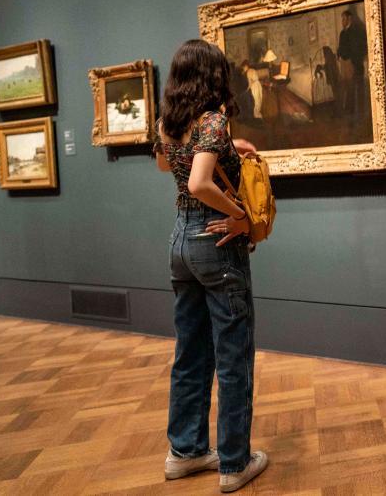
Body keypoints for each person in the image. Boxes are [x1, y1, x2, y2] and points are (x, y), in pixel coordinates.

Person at [153, 39, 269, 492]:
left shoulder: (169, 121)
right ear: (212, 74)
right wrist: (240, 217)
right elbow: (201, 182)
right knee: (233, 356)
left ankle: (185, 453)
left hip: (179, 241)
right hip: (215, 241)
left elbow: (168, 166)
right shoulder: (213, 120)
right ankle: (235, 463)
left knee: (190, 353)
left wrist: (225, 146)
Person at [336, 10, 367, 115]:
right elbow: (340, 47)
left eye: (344, 19)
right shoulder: (342, 33)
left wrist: (353, 62)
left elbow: (357, 48)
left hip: (352, 63)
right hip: (344, 63)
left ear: (349, 19)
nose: (342, 22)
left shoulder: (355, 31)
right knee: (346, 85)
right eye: (342, 19)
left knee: (354, 86)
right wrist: (338, 55)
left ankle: (355, 110)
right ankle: (348, 108)